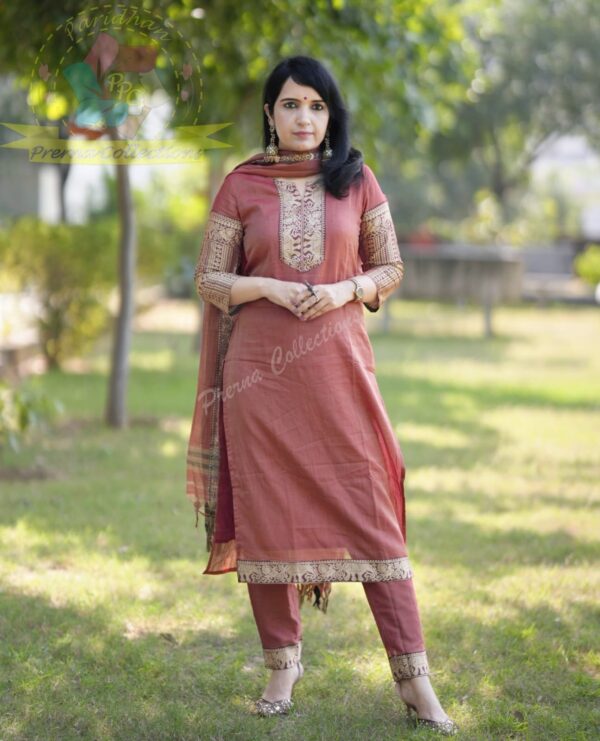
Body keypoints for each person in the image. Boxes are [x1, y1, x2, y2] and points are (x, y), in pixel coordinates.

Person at [186, 55, 457, 735]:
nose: (303, 117)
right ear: (270, 113)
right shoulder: (241, 184)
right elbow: (210, 279)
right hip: (261, 381)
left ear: (330, 115)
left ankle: (415, 680)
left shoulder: (357, 180)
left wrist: (343, 290)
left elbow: (390, 267)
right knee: (269, 518)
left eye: (316, 105)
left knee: (373, 513)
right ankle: (282, 665)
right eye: (290, 104)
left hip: (340, 372)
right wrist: (270, 288)